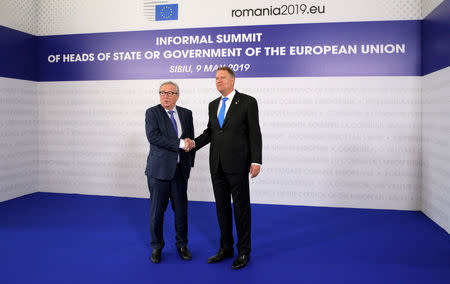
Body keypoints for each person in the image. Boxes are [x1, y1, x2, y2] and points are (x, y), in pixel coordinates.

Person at [194, 66, 262, 269]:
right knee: (221, 209)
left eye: (222, 78)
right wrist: (192, 144)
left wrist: (256, 160)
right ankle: (226, 248)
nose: (218, 81)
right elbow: (211, 132)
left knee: (241, 209)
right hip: (217, 165)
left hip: (239, 165)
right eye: (216, 78)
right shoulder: (213, 104)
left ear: (233, 81)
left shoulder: (248, 102)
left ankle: (244, 251)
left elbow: (254, 133)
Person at [145, 81, 196, 263]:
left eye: (170, 93)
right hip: (159, 173)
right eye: (162, 92)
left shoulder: (186, 113)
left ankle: (182, 245)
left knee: (181, 211)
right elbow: (154, 138)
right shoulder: (152, 113)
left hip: (180, 172)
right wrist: (181, 143)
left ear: (177, 95)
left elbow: (191, 139)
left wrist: (189, 161)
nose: (165, 96)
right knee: (157, 212)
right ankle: (157, 247)